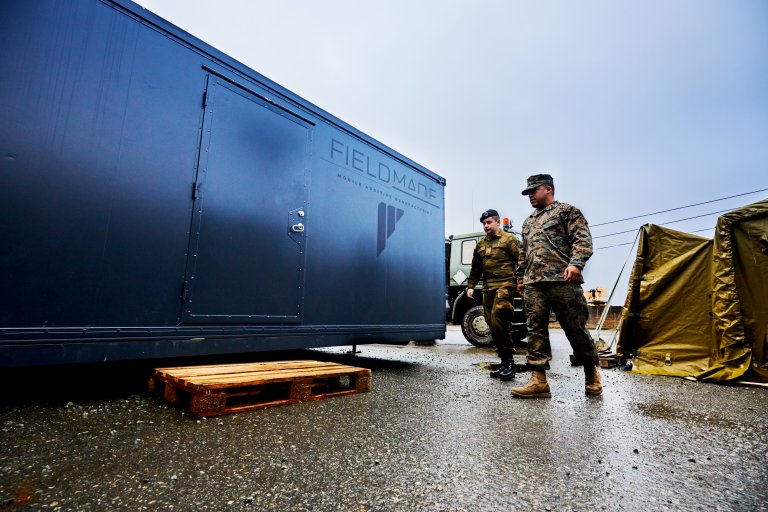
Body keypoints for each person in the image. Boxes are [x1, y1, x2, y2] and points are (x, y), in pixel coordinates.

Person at [511, 174, 603, 398]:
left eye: (534, 190)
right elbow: (524, 253)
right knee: (535, 331)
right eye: (528, 192)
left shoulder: (566, 211)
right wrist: (520, 278)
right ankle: (538, 380)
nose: (530, 195)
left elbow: (582, 240)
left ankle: (592, 372)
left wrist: (576, 264)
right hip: (534, 283)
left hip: (563, 280)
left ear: (548, 189)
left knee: (575, 328)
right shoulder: (528, 222)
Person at [466, 209, 520, 380]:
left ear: (497, 222)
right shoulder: (481, 244)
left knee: (498, 319)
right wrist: (471, 285)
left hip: (505, 285)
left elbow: (522, 261)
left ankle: (510, 363)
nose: (486, 226)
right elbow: (476, 268)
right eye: (484, 223)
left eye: (489, 222)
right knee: (491, 323)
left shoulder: (509, 240)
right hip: (488, 288)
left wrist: (520, 281)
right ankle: (504, 362)